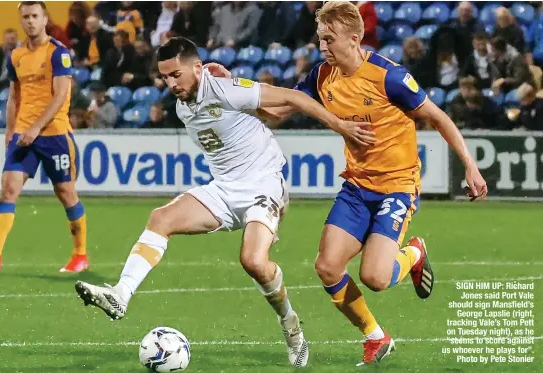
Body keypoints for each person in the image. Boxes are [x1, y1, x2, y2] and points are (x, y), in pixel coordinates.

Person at [206, 1, 488, 366]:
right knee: (327, 267)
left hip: (397, 186)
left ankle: (414, 254)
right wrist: (231, 86)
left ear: (354, 39)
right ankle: (376, 336)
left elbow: (437, 117)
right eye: (319, 38)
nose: (322, 47)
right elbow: (275, 112)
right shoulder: (323, 76)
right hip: (356, 187)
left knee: (375, 276)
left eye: (329, 38)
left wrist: (470, 166)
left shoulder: (389, 77)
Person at [74, 36, 374, 368]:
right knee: (160, 219)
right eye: (165, 77)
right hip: (225, 188)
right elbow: (261, 116)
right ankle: (120, 295)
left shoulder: (225, 89)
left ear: (197, 68)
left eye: (176, 75)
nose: (171, 83)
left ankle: (291, 327)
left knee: (253, 262)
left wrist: (341, 126)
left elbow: (290, 97)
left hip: (264, 183)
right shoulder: (183, 104)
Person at [0, 1, 89, 274]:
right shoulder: (16, 55)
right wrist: (11, 129)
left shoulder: (58, 53)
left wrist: (36, 128)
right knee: (8, 189)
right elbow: (13, 96)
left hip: (54, 134)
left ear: (45, 19)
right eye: (26, 17)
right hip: (22, 134)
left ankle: (80, 255)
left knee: (66, 193)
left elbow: (60, 96)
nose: (30, 21)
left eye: (35, 16)